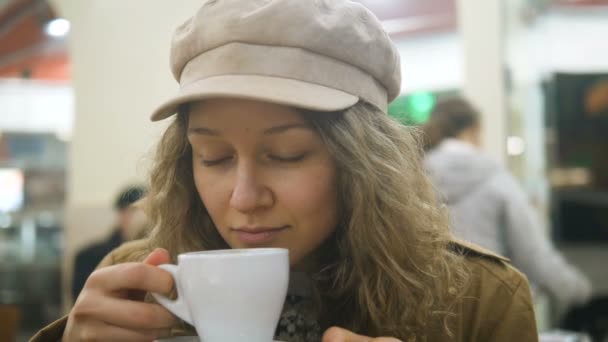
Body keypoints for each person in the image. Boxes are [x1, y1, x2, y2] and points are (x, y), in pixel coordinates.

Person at [33, 1, 539, 341]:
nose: (244, 197)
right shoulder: (139, 280)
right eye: (213, 158)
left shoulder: (474, 300)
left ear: (364, 163)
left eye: (288, 155)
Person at [423, 97, 592, 316]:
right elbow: (535, 258)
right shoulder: (495, 178)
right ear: (474, 130)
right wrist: (582, 291)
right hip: (491, 313)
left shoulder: (414, 179)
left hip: (432, 317)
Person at [71, 185, 148, 301]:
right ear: (121, 214)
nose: (142, 217)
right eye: (135, 210)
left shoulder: (158, 252)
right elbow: (81, 303)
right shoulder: (88, 256)